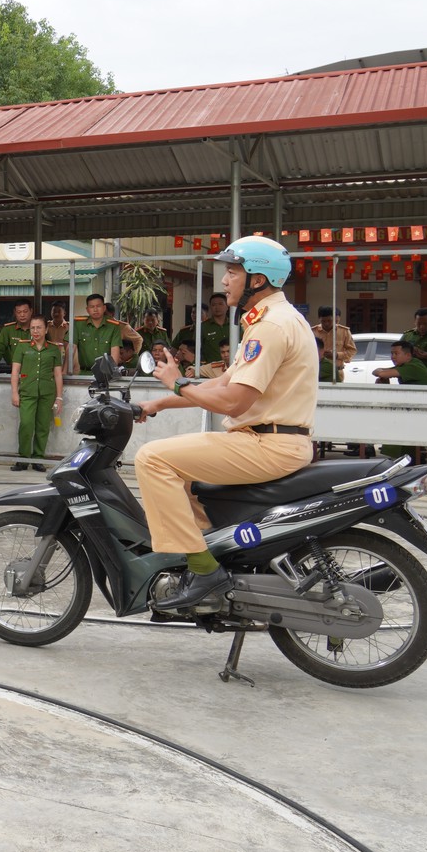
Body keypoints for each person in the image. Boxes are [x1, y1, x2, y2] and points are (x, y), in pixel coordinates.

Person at [134, 236, 316, 611]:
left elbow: (234, 400)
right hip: (272, 441)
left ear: (258, 279)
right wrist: (159, 403)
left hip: (267, 445)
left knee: (153, 459)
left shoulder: (270, 326)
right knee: (183, 476)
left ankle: (204, 573)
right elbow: (220, 384)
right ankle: (214, 554)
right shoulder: (272, 320)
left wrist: (177, 381)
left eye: (232, 272)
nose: (224, 281)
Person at [11, 315, 65, 471]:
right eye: (32, 328)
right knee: (26, 424)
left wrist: (59, 397)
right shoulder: (22, 347)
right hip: (27, 392)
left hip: (47, 394)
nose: (35, 331)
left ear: (46, 329)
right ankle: (23, 458)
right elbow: (15, 371)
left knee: (43, 426)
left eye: (39, 327)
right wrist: (15, 392)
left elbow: (57, 375)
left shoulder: (54, 349)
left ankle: (37, 458)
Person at [373, 340, 427, 460]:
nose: (393, 357)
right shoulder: (405, 365)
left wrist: (382, 374)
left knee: (397, 420)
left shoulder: (413, 366)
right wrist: (382, 373)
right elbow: (377, 371)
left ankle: (401, 457)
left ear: (408, 355)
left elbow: (382, 374)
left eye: (396, 354)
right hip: (420, 408)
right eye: (391, 353)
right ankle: (406, 456)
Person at [73, 293, 142, 374]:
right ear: (87, 309)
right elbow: (72, 348)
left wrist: (129, 355)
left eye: (105, 314)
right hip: (84, 371)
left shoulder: (121, 326)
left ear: (111, 314)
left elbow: (138, 339)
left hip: (109, 369)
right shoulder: (80, 324)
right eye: (92, 307)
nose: (96, 310)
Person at [0, 299, 33, 377]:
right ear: (15, 313)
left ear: (31, 311)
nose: (22, 315)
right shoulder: (7, 330)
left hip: (36, 372)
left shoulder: (38, 329)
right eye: (19, 312)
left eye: (25, 311)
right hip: (16, 372)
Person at [314, 306, 356, 382]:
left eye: (329, 321)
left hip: (337, 372)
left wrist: (337, 355)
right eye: (323, 321)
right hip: (316, 371)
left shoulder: (344, 332)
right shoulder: (313, 331)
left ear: (335, 319)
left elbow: (352, 351)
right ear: (319, 319)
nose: (326, 323)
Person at [198, 292, 231, 372]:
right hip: (212, 370)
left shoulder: (235, 326)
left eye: (220, 304)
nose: (217, 307)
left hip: (233, 369)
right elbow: (197, 349)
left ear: (227, 306)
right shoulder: (203, 327)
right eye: (213, 305)